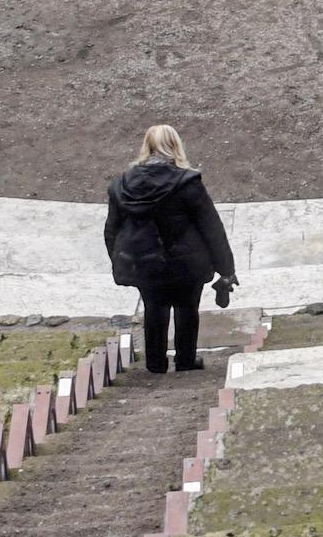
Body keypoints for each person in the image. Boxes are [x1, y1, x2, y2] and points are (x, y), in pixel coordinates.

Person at [102, 125, 238, 373]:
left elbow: (112, 230)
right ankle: (185, 361)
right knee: (187, 309)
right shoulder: (187, 183)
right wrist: (226, 268)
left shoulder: (122, 185)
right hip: (187, 262)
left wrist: (121, 259)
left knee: (154, 309)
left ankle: (155, 364)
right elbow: (211, 227)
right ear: (175, 146)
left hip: (144, 261)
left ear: (146, 147)